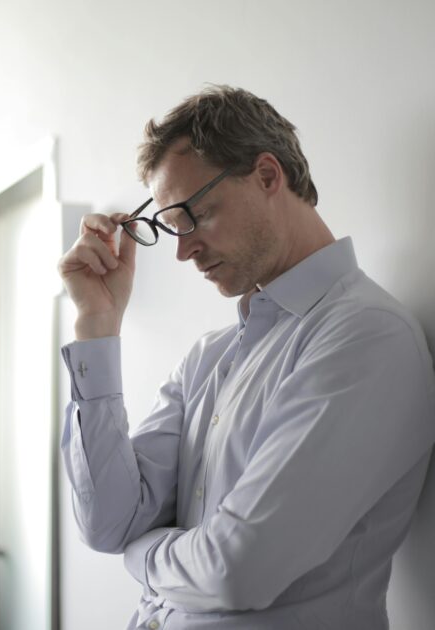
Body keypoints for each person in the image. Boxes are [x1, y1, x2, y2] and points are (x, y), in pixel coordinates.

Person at [57, 85, 435, 629]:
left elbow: (237, 569)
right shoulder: (208, 357)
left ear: (266, 176)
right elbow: (108, 523)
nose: (184, 250)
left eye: (195, 215)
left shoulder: (366, 336)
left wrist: (143, 556)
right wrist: (97, 325)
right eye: (171, 227)